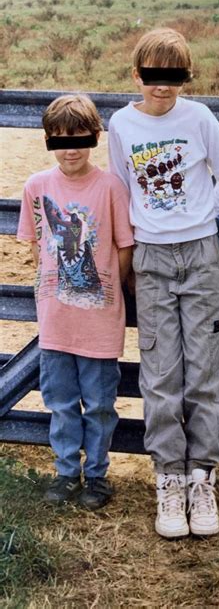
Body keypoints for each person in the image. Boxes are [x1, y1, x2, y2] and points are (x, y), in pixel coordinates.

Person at [108, 28, 219, 538]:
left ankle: (201, 477)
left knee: (206, 369)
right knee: (161, 368)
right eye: (153, 79)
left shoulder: (199, 117)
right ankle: (168, 478)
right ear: (137, 76)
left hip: (202, 254)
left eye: (174, 79)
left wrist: (204, 217)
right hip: (152, 256)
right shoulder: (122, 123)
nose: (163, 89)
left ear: (186, 79)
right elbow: (120, 186)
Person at [17, 94, 134, 510]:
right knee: (61, 402)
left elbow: (124, 247)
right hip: (56, 322)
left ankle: (97, 476)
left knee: (100, 404)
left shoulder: (110, 188)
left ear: (95, 138)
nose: (70, 149)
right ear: (48, 140)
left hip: (99, 320)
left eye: (80, 138)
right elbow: (36, 246)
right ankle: (66, 472)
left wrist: (107, 291)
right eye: (60, 140)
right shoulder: (37, 187)